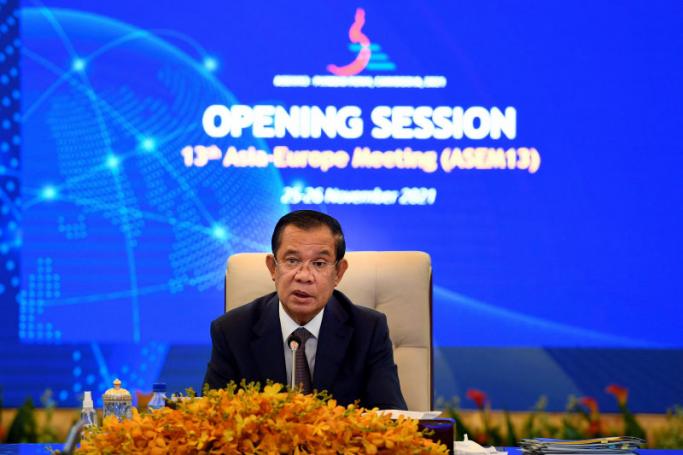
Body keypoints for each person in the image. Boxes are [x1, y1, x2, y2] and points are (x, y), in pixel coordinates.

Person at [203, 210, 407, 410]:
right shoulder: (232, 331)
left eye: (319, 263)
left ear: (338, 272)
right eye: (292, 261)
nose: (304, 276)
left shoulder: (368, 330)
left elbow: (390, 417)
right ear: (273, 268)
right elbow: (213, 419)